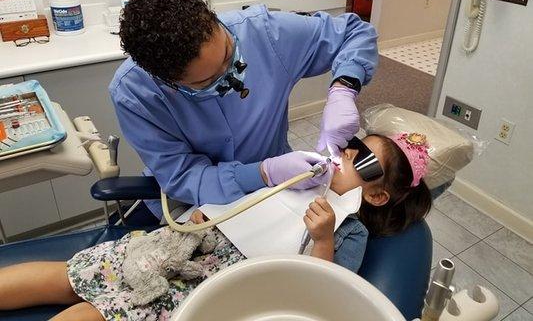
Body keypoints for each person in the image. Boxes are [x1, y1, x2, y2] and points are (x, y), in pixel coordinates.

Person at [0, 131, 432, 321]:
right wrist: (201, 215)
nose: (346, 157)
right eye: (352, 147)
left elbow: (324, 285)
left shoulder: (347, 230)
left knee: (102, 311)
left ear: (376, 195)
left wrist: (322, 239)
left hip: (215, 279)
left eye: (364, 162)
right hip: (188, 241)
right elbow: (237, 196)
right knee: (77, 274)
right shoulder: (295, 172)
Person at [110, 0, 378, 221]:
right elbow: (182, 176)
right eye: (208, 81)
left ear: (213, 18)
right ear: (169, 82)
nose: (232, 78)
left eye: (228, 55)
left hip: (276, 192)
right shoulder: (134, 93)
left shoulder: (265, 33)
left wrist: (344, 87)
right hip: (192, 203)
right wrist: (262, 173)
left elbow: (355, 33)